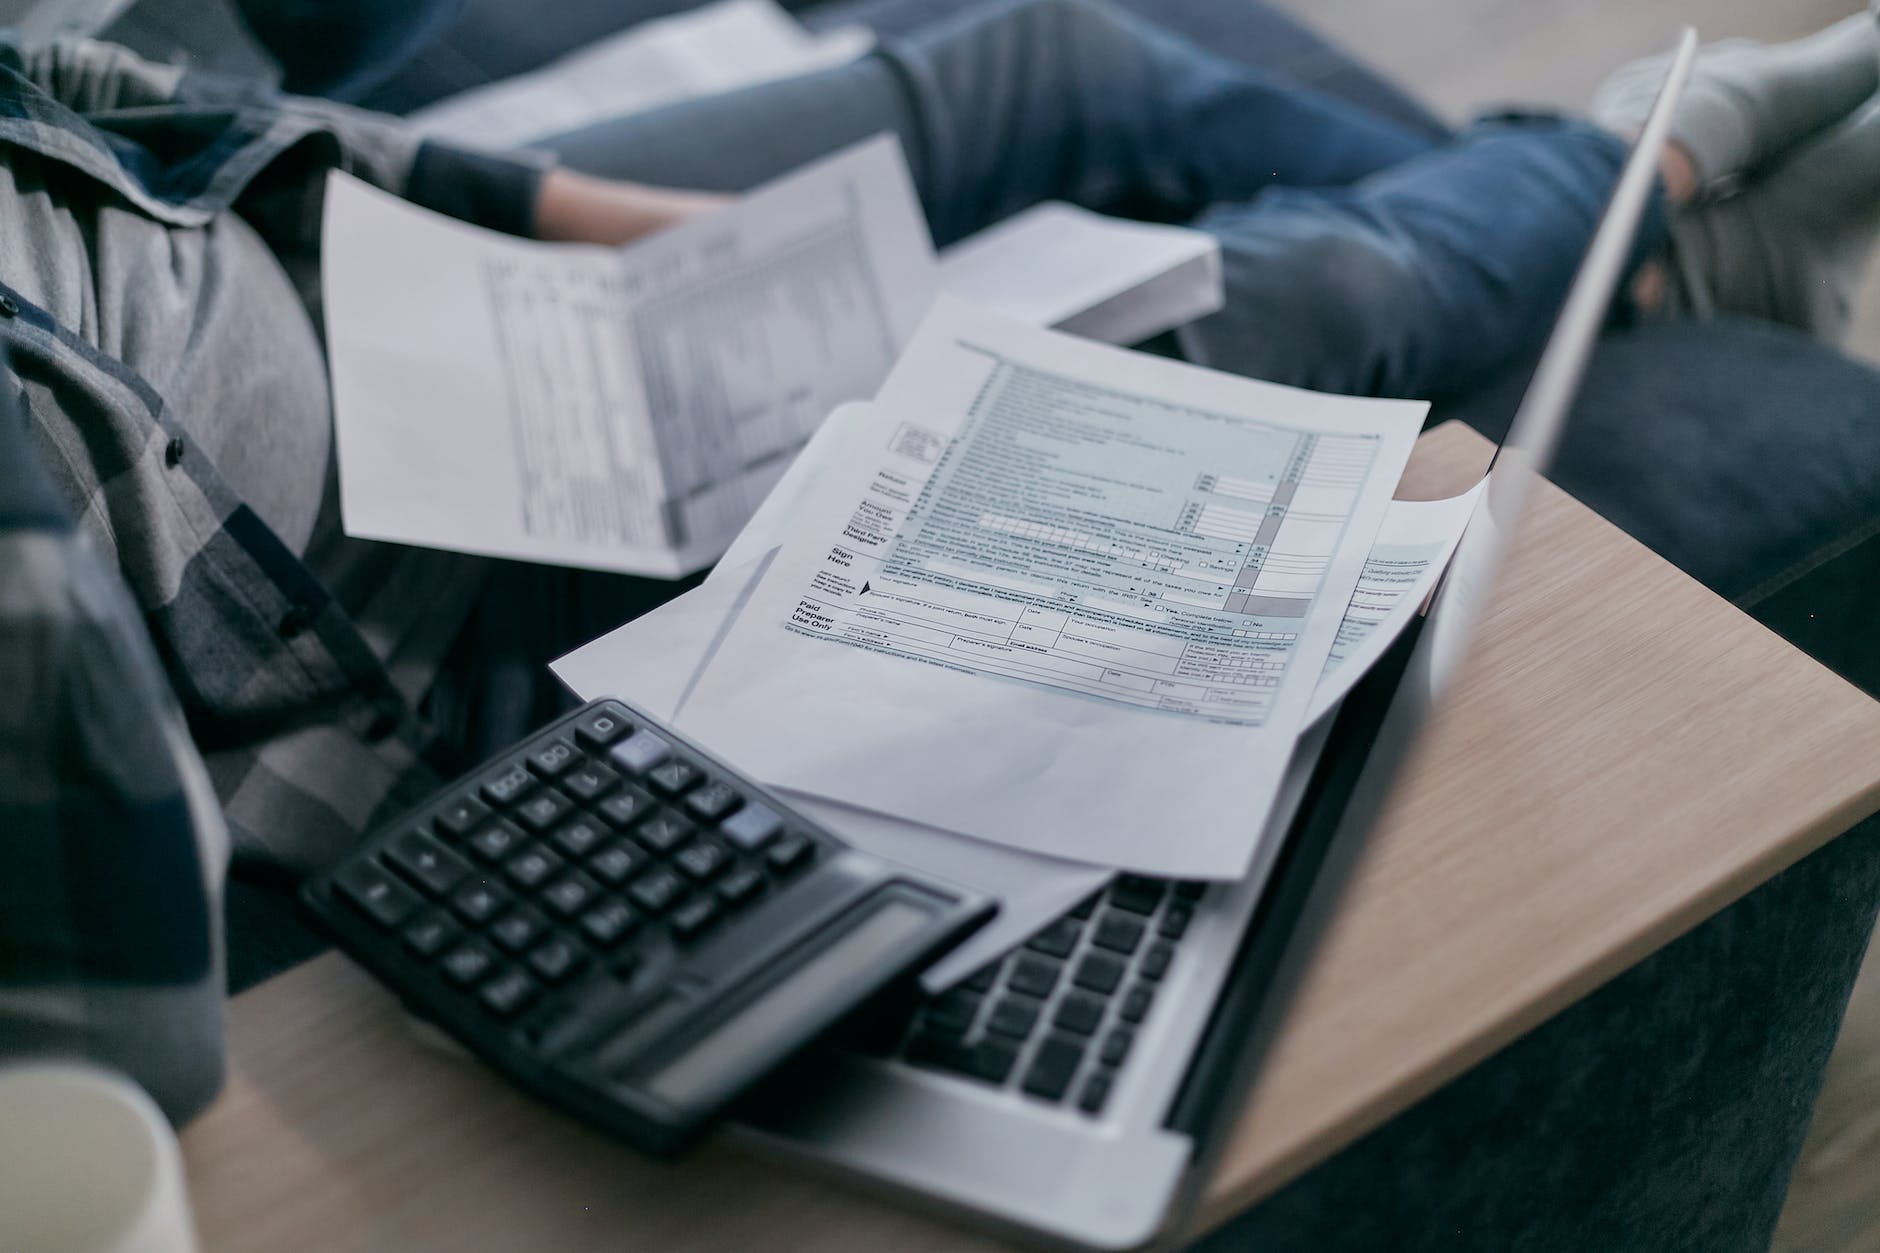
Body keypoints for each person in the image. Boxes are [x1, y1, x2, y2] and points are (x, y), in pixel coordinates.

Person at [1, 0, 1877, 1125]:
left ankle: (1616, 242)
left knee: (1043, 59)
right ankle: (1654, 178)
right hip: (439, 645)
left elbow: (82, 92)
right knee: (1293, 306)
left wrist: (568, 228)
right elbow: (128, 1058)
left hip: (433, 311)